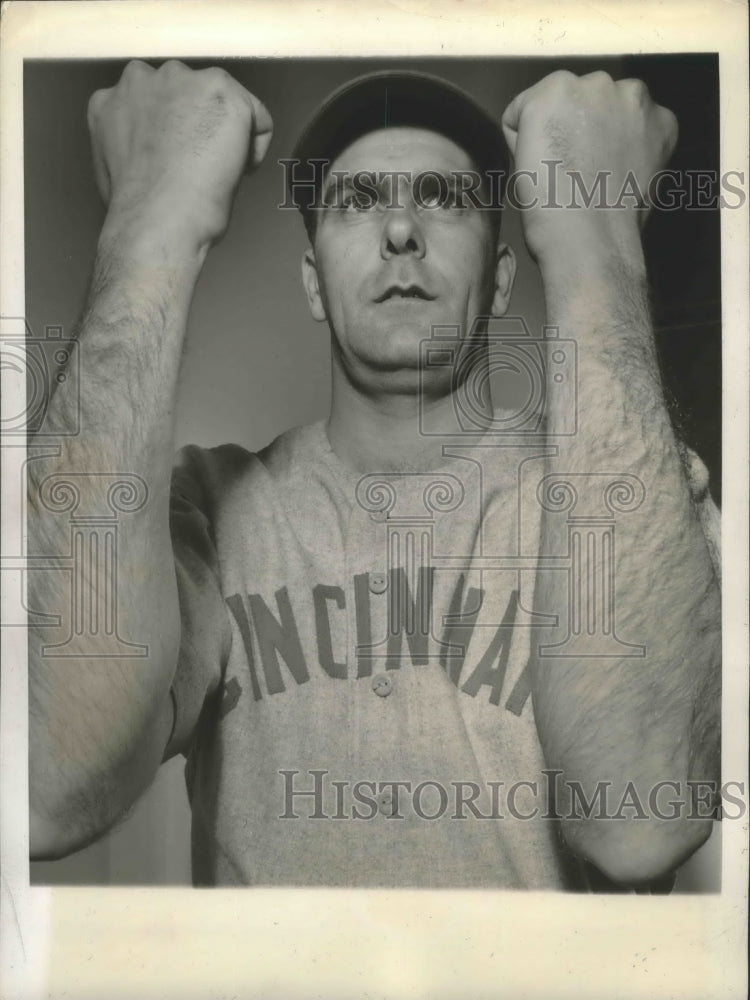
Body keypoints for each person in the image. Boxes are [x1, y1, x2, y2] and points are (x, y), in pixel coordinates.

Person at [27, 60, 721, 889]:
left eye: (442, 196)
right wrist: (150, 230)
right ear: (315, 286)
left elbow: (640, 822)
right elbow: (43, 791)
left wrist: (591, 240)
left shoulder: (631, 488)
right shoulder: (205, 517)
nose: (400, 231)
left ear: (503, 281)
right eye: (358, 200)